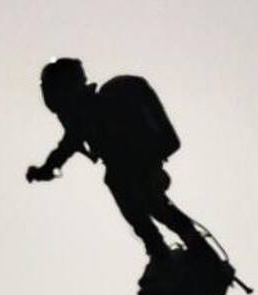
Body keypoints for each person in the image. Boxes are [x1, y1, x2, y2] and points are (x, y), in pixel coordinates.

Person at [26, 58, 206, 259]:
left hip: (136, 164)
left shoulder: (88, 110)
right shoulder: (85, 111)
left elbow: (66, 147)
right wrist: (45, 169)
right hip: (137, 166)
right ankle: (179, 248)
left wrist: (45, 170)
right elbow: (65, 148)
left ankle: (162, 248)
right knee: (155, 207)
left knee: (139, 199)